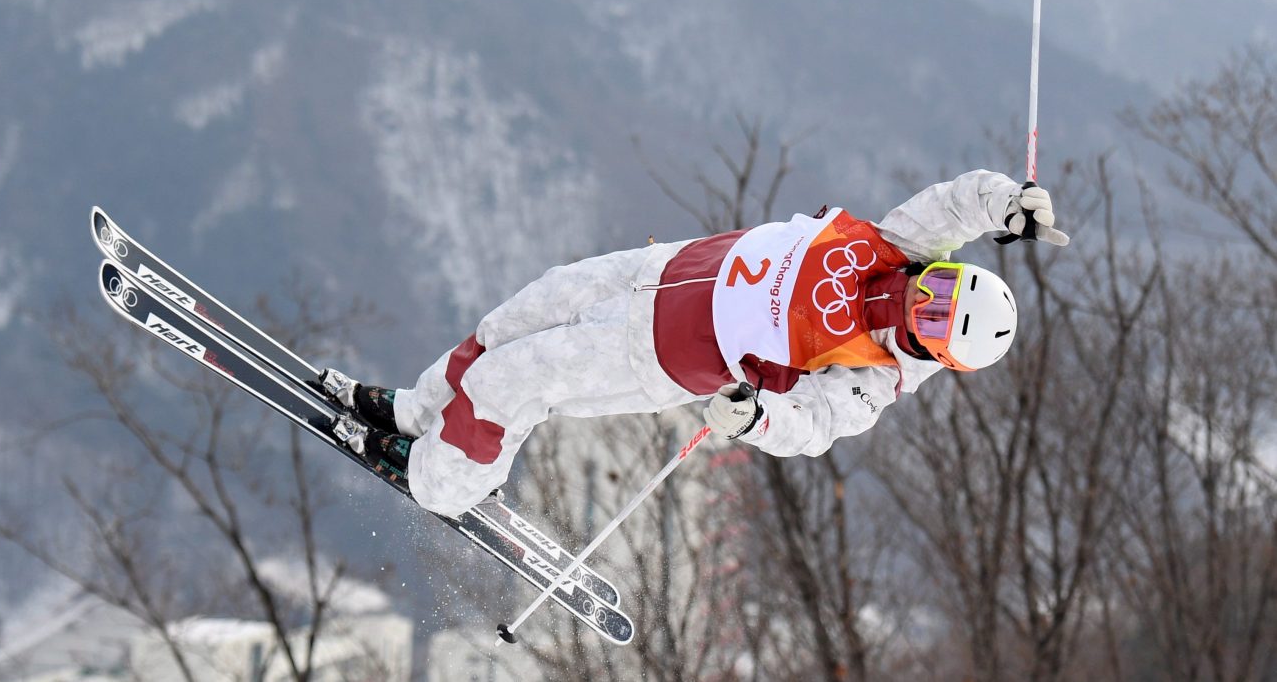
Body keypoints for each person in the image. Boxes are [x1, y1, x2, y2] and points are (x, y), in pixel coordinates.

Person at [318, 169, 1068, 519]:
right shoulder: (900, 246)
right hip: (665, 266)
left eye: (934, 320)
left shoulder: (873, 374)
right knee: (511, 322)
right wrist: (1008, 204)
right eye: (939, 286)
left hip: (659, 351)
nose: (922, 300)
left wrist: (751, 419)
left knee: (514, 379)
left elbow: (813, 427)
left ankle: (441, 479)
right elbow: (955, 200)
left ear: (938, 354)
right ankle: (422, 411)